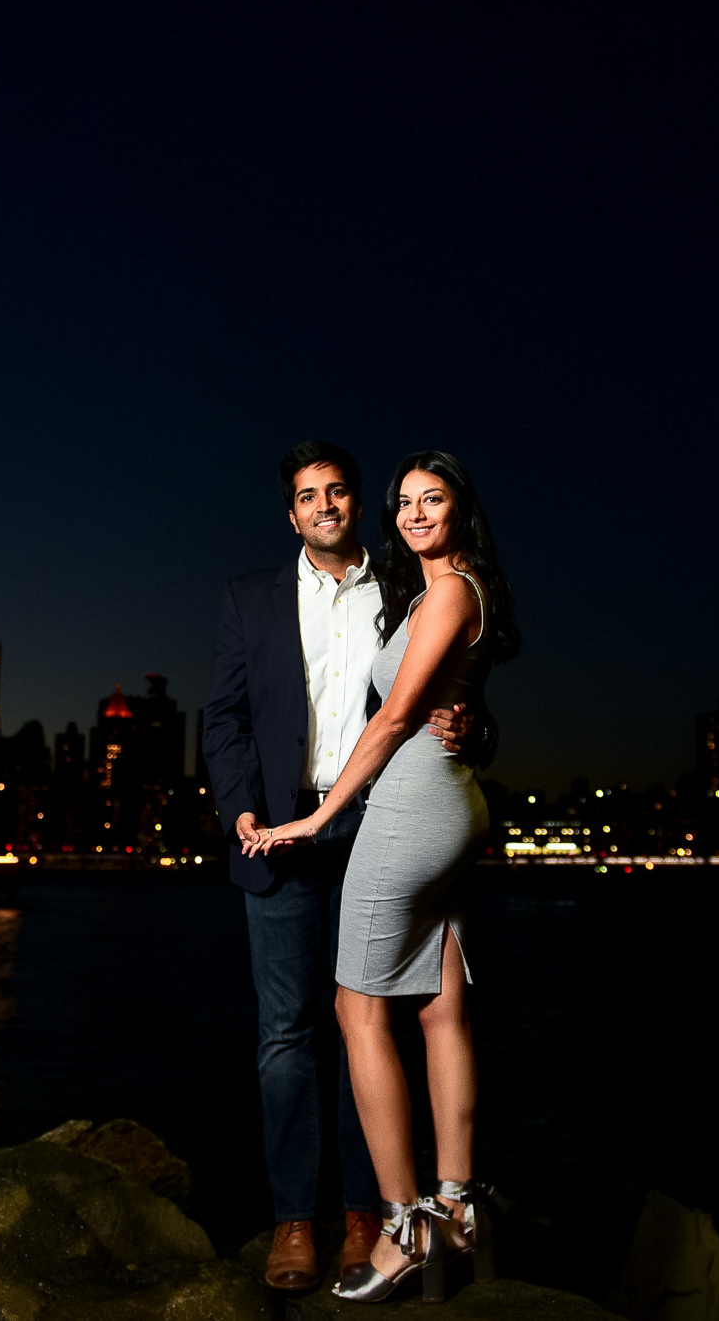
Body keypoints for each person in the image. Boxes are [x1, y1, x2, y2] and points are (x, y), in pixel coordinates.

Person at [203, 441, 486, 1293]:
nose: (322, 505)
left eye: (336, 491)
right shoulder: (249, 597)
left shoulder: (406, 587)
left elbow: (445, 693)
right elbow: (223, 718)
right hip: (279, 830)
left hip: (378, 823)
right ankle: (295, 1217)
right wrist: (243, 809)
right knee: (287, 1032)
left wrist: (473, 728)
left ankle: (371, 1214)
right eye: (305, 495)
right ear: (290, 514)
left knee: (372, 1021)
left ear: (357, 504)